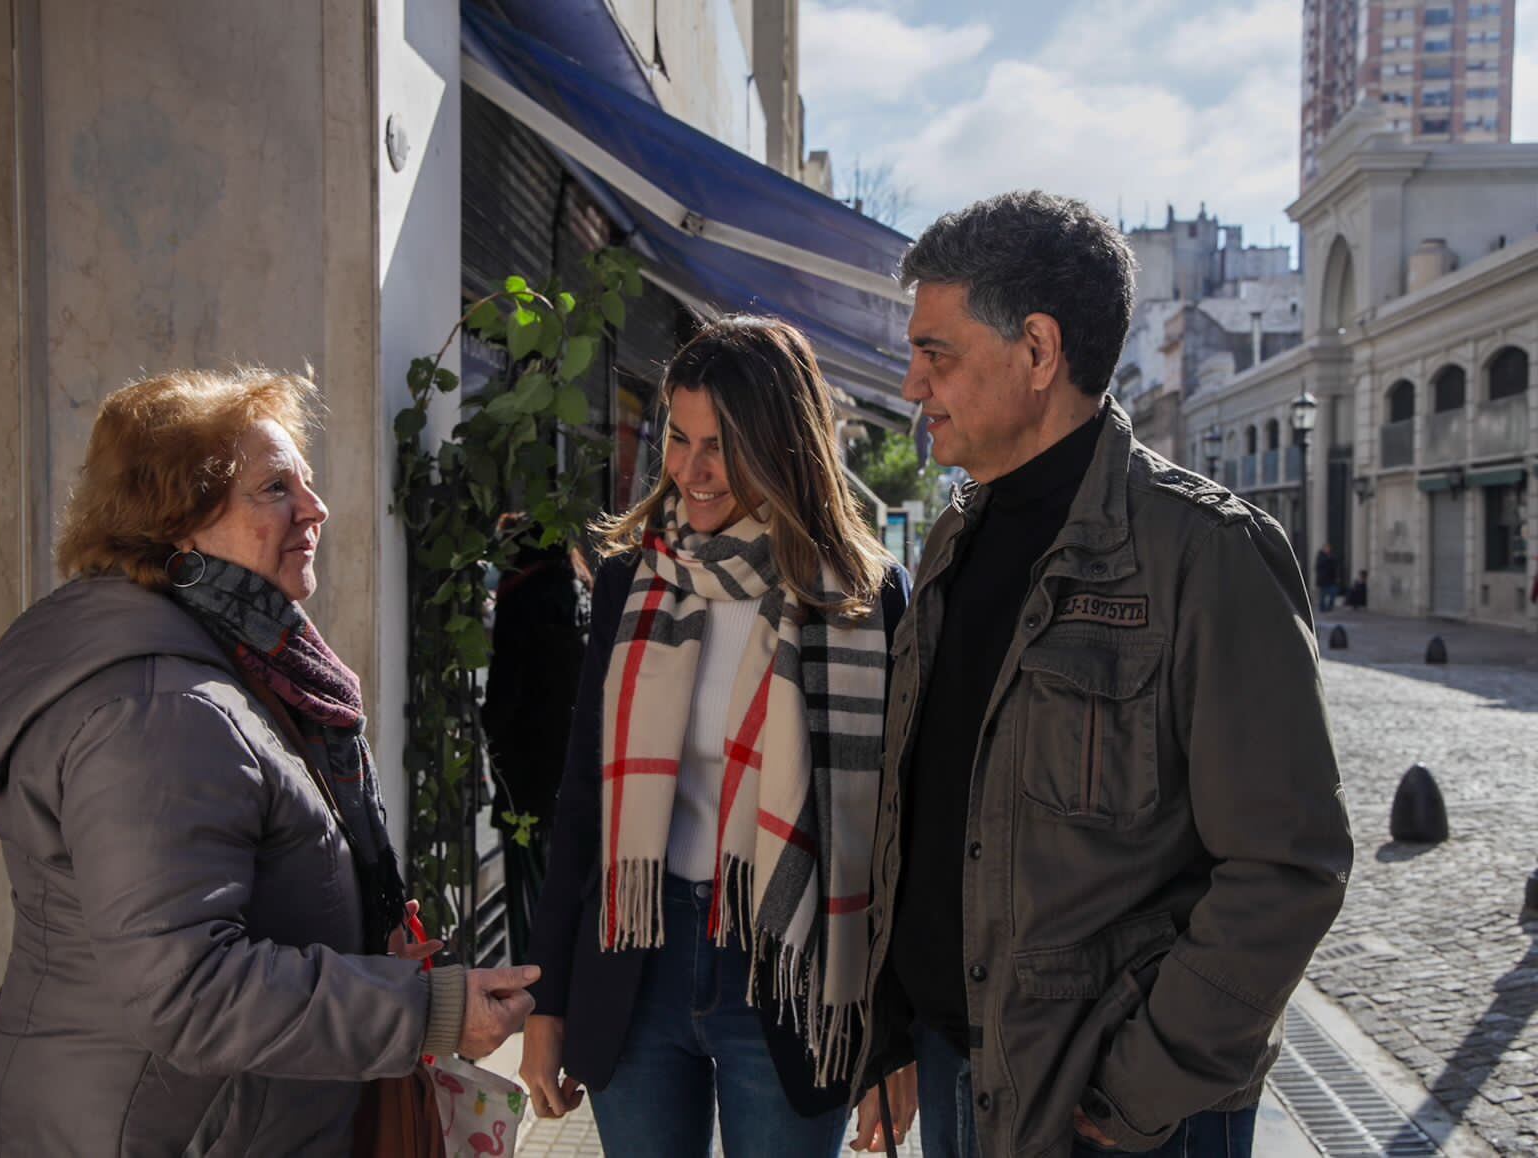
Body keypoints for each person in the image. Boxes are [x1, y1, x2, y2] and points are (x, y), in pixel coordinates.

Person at [850, 192, 1353, 1158]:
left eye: (937, 352)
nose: (913, 383)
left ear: (1038, 353)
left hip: (1116, 1116)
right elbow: (927, 807)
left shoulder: (1204, 554)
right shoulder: (958, 536)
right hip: (964, 1074)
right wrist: (893, 1018)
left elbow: (1287, 866)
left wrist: (1136, 1090)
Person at [0, 368, 537, 1156]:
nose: (315, 508)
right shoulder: (162, 706)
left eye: (307, 480)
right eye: (274, 488)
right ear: (176, 522)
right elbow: (189, 991)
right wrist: (421, 1009)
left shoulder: (223, 665)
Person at [519, 317, 916, 1157]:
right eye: (678, 439)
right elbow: (583, 800)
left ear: (781, 447)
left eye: (720, 448)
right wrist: (547, 1001)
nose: (690, 473)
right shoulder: (634, 576)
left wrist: (893, 1038)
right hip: (638, 955)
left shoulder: (861, 597)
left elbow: (892, 833)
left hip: (788, 966)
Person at [483, 513, 592, 962]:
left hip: (527, 777)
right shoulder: (579, 592)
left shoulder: (521, 598)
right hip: (575, 772)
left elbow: (504, 694)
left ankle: (538, 990)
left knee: (530, 901)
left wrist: (494, 740)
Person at [1315, 543, 1340, 612]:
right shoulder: (1320, 556)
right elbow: (1318, 566)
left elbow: (1335, 567)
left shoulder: (1332, 556)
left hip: (1332, 579)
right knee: (1323, 595)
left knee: (1333, 593)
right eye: (1326, 548)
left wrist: (1337, 577)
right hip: (1323, 579)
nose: (1327, 549)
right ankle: (1322, 608)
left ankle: (1329, 607)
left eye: (1328, 548)